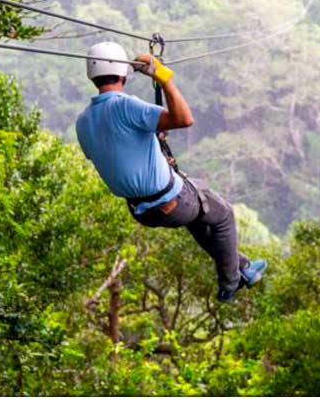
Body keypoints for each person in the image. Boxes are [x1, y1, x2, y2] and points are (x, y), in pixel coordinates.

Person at [75, 41, 267, 302]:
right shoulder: (125, 106)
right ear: (123, 74)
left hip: (141, 211)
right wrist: (162, 78)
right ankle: (230, 281)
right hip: (171, 200)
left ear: (91, 76)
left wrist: (151, 134)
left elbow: (117, 148)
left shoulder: (84, 121)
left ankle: (243, 266)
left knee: (201, 215)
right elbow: (184, 118)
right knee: (222, 215)